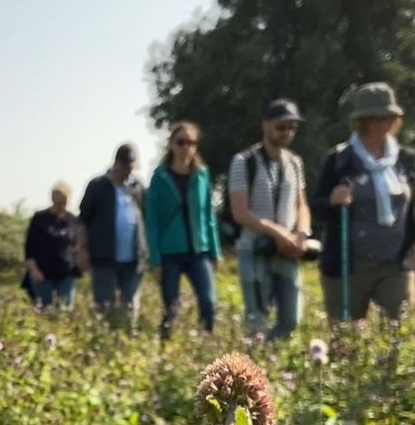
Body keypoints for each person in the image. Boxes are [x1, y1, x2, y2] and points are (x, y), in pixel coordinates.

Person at [311, 83, 415, 322]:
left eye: (388, 118)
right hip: (349, 267)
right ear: (362, 121)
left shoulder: (405, 159)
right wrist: (332, 201)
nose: (383, 124)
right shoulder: (339, 159)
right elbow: (317, 208)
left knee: (399, 334)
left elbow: (413, 213)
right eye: (376, 118)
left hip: (396, 263)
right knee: (345, 342)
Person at [228, 99, 311, 338]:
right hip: (254, 249)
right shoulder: (244, 161)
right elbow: (240, 212)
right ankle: (253, 368)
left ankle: (269, 360)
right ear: (265, 125)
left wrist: (302, 233)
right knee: (257, 320)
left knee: (291, 321)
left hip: (286, 250)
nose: (287, 132)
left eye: (292, 127)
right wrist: (278, 233)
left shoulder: (295, 162)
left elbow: (301, 204)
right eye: (281, 126)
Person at [145, 121, 222, 338]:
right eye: (181, 142)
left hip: (199, 251)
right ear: (171, 145)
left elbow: (209, 215)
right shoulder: (159, 177)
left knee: (209, 302)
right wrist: (155, 260)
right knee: (172, 307)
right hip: (170, 253)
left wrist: (215, 252)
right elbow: (152, 221)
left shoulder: (202, 174)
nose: (186, 147)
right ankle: (164, 346)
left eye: (191, 142)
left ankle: (206, 343)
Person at [77, 143, 148, 327]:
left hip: (133, 259)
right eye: (126, 167)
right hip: (104, 257)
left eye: (132, 167)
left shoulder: (138, 187)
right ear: (116, 163)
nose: (128, 172)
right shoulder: (97, 186)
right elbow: (83, 220)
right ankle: (104, 343)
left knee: (130, 306)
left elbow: (147, 218)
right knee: (104, 306)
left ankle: (127, 341)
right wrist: (82, 249)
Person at [24, 181, 79, 310]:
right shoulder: (39, 218)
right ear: (53, 200)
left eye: (65, 203)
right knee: (45, 309)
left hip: (66, 274)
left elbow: (76, 245)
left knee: (65, 310)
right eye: (59, 203)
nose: (62, 206)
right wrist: (34, 270)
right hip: (42, 274)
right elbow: (29, 248)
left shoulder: (72, 220)